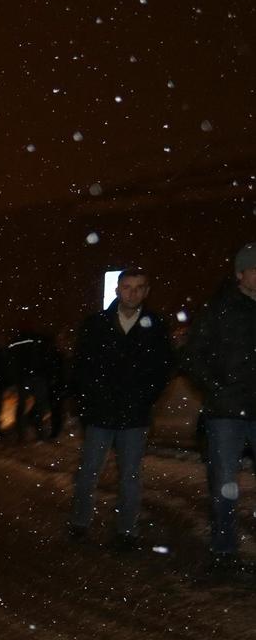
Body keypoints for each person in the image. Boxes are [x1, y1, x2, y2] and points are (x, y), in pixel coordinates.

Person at [66, 269, 173, 548]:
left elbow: (163, 368)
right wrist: (87, 403)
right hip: (100, 413)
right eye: (127, 287)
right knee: (89, 472)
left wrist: (145, 397)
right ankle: (80, 523)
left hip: (134, 414)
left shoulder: (156, 326)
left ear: (146, 291)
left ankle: (127, 530)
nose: (132, 293)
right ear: (117, 290)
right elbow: (81, 366)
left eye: (138, 287)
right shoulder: (96, 324)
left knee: (130, 476)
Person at [181, 242, 256, 572]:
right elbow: (192, 356)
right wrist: (218, 389)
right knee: (225, 480)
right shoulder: (219, 310)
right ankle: (224, 547)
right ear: (240, 274)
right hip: (226, 413)